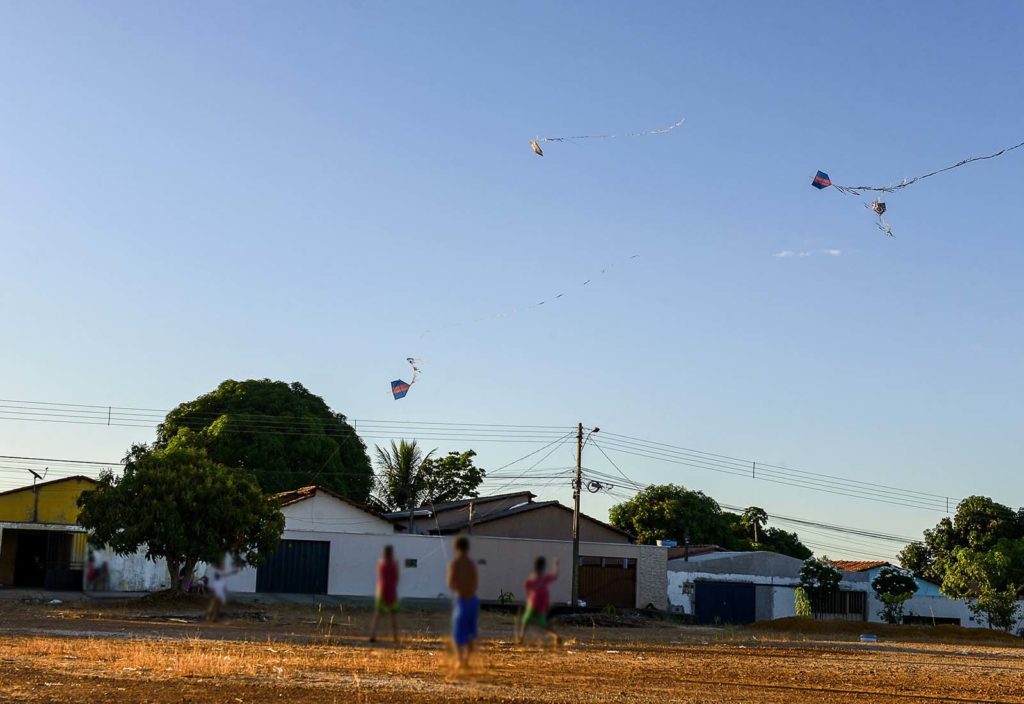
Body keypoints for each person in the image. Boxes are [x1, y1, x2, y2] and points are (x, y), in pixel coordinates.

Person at [447, 535, 479, 668]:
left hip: (461, 600)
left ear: (456, 547)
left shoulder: (455, 563)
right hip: (473, 600)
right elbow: (475, 583)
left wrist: (459, 591)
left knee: (457, 633)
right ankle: (466, 659)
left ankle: (460, 660)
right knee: (470, 633)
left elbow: (450, 583)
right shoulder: (471, 564)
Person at [516, 556, 561, 646]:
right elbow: (527, 586)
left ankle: (522, 638)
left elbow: (527, 586)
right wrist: (556, 565)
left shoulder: (537, 577)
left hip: (536, 604)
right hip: (536, 604)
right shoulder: (539, 578)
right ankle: (521, 638)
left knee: (530, 621)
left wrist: (556, 565)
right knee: (530, 621)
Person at [369, 544, 400, 644]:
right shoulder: (394, 564)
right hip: (391, 591)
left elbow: (381, 577)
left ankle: (373, 635)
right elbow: (396, 577)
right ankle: (395, 637)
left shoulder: (381, 563)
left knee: (377, 615)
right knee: (393, 616)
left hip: (382, 591)